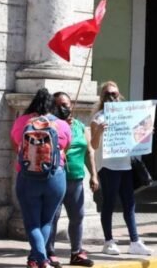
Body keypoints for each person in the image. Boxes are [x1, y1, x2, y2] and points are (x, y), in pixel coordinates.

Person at [11, 88, 71, 268]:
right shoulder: (61, 123)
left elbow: (15, 143)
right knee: (47, 221)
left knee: (32, 223)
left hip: (28, 177)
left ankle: (42, 260)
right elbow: (66, 146)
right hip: (55, 177)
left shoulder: (23, 121)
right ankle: (36, 259)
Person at [90, 82, 152, 256]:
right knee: (109, 202)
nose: (112, 97)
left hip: (125, 165)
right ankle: (108, 241)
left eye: (115, 94)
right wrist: (99, 132)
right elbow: (94, 145)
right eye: (108, 94)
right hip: (108, 166)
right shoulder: (99, 118)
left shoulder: (127, 116)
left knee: (129, 203)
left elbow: (134, 138)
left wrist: (146, 134)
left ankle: (134, 241)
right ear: (103, 98)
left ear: (120, 95)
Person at [46, 92, 98, 267]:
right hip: (57, 178)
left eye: (67, 104)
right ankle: (49, 253)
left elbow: (89, 151)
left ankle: (76, 252)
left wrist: (94, 175)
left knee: (77, 216)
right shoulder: (51, 126)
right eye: (60, 104)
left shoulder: (80, 126)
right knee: (53, 217)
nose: (64, 108)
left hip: (76, 179)